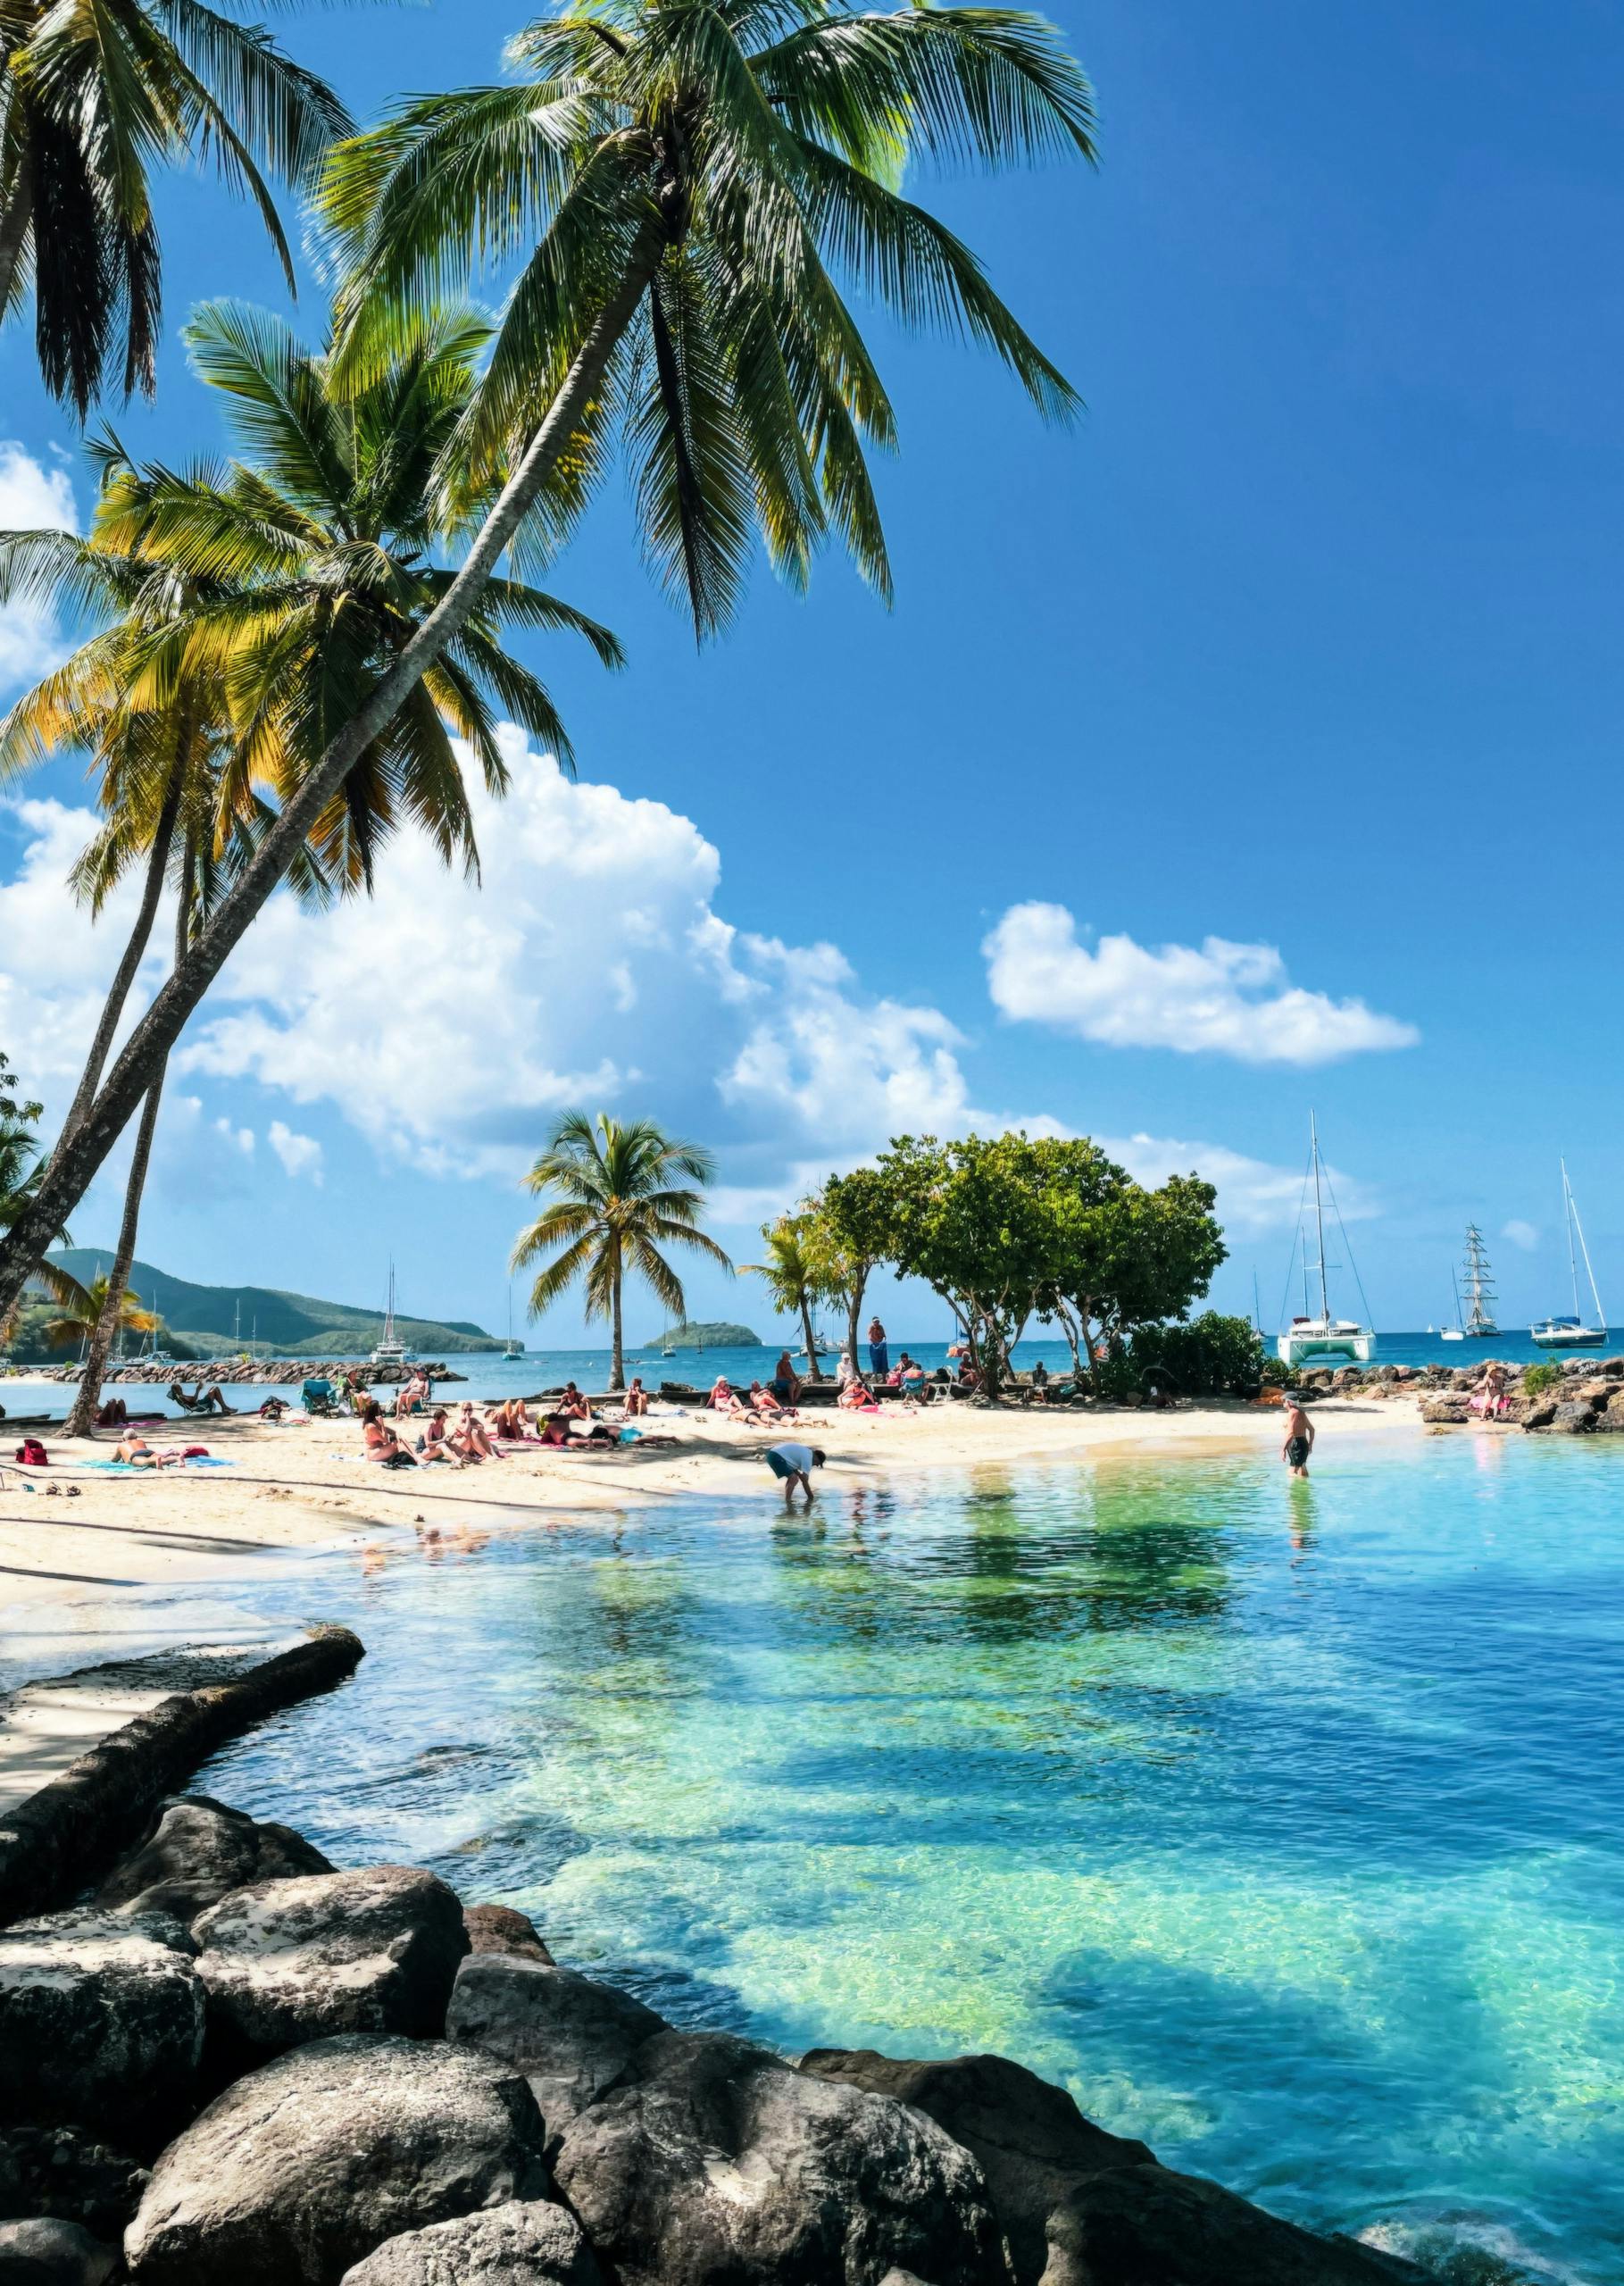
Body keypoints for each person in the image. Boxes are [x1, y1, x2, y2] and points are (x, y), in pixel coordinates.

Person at [765, 1440, 826, 1506]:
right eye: (818, 1464)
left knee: (793, 1478)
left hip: (774, 1454)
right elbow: (805, 1482)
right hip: (776, 1456)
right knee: (794, 1479)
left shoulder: (806, 1452)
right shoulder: (809, 1457)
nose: (816, 1465)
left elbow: (796, 1471)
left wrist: (800, 1476)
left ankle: (787, 1501)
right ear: (817, 1459)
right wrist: (811, 1498)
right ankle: (788, 1503)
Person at [362, 1398, 421, 1466]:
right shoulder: (370, 1426)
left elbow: (394, 1432)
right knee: (396, 1444)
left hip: (380, 1450)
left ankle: (416, 1457)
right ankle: (414, 1459)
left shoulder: (376, 1424)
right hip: (372, 1453)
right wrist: (382, 1424)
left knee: (400, 1440)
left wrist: (398, 1436)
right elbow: (385, 1440)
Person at [1281, 1397, 1314, 1478]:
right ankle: (1304, 1489)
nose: (1283, 1403)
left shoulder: (1293, 1413)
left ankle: (1295, 1490)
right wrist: (1310, 1444)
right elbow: (1312, 1429)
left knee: (1292, 1473)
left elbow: (1291, 1433)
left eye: (1284, 1401)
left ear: (1289, 1402)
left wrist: (1283, 1449)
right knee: (1302, 1467)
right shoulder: (1301, 1412)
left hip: (1296, 1443)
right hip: (1303, 1442)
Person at [169, 1381, 233, 1416]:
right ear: (175, 1391)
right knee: (215, 1388)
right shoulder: (181, 1396)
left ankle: (224, 1407)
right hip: (200, 1405)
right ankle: (224, 1407)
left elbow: (192, 1400)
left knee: (213, 1390)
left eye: (180, 1388)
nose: (181, 1389)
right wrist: (198, 1390)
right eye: (179, 1388)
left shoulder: (179, 1397)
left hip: (199, 1404)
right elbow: (193, 1400)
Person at [867, 1315, 889, 1381]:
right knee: (875, 1362)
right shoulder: (871, 1327)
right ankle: (876, 1379)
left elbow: (884, 1336)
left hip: (881, 1345)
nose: (877, 1323)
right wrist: (874, 1343)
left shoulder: (881, 1327)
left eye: (878, 1321)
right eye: (876, 1322)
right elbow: (870, 1336)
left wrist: (883, 1341)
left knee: (883, 1362)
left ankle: (884, 1379)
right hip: (874, 1345)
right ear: (873, 1322)